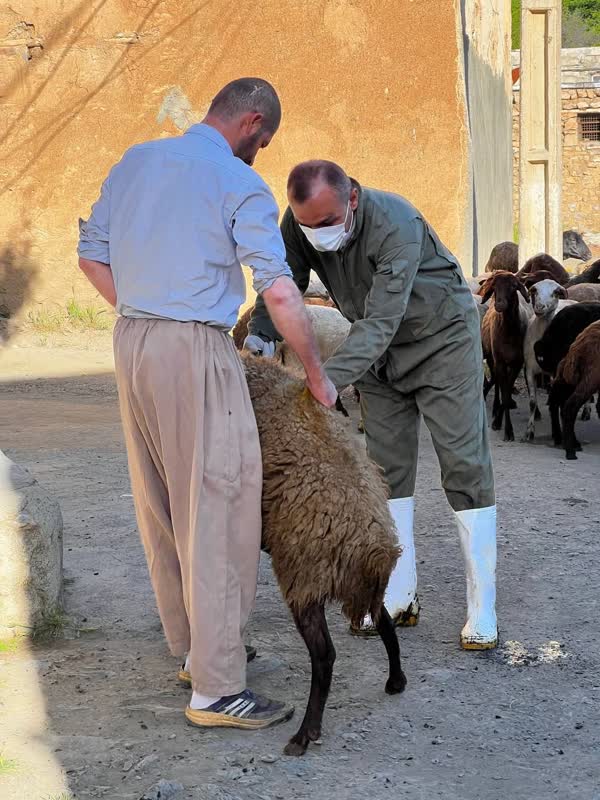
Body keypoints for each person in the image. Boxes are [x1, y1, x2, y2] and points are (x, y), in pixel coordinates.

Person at [77, 81, 337, 730]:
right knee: (220, 504)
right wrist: (316, 375)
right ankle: (217, 691)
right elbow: (278, 291)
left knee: (164, 501)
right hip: (194, 346)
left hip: (133, 340)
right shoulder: (237, 181)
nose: (260, 152)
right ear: (252, 122)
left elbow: (89, 256)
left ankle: (198, 652)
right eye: (264, 141)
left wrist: (147, 310)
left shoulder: (136, 161)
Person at [245, 160, 497, 650]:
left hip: (440, 343)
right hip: (378, 360)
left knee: (464, 464)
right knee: (385, 471)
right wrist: (259, 336)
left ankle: (481, 605)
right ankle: (398, 596)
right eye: (306, 224)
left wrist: (326, 381)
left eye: (325, 222)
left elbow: (383, 321)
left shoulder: (396, 223)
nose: (315, 233)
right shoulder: (299, 224)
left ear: (352, 199)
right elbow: (282, 286)